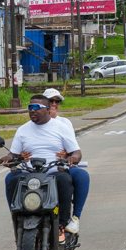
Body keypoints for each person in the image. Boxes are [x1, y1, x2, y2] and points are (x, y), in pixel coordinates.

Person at [0, 95, 80, 242]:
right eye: (30, 107)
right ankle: (17, 220)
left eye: (36, 107)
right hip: (29, 173)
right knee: (11, 179)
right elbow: (14, 153)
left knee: (65, 180)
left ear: (48, 109)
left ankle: (62, 224)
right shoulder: (23, 130)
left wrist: (72, 158)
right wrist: (8, 158)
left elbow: (76, 152)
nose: (32, 111)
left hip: (54, 172)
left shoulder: (61, 128)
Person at [44, 88, 88, 234]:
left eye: (57, 101)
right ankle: (17, 219)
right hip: (36, 168)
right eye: (51, 101)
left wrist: (68, 156)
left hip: (60, 166)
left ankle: (75, 218)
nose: (54, 104)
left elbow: (72, 148)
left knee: (82, 176)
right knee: (12, 178)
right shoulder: (34, 122)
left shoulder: (64, 123)